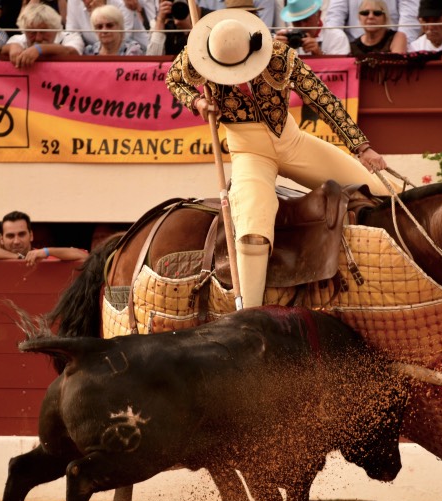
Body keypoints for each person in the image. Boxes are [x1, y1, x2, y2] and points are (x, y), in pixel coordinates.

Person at [166, 8, 395, 308]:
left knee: (381, 190)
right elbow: (173, 80)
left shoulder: (278, 54)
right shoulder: (200, 51)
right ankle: (250, 318)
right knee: (252, 231)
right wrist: (195, 101)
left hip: (293, 143)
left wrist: (361, 147)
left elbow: (322, 98)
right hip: (249, 154)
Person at [0, 211, 88, 264]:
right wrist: (18, 257)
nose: (16, 241)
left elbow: (83, 256)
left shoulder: (41, 255)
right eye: (10, 236)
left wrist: (47, 251)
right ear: (2, 239)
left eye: (21, 234)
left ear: (31, 235)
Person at [2, 1, 79, 67]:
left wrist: (39, 49)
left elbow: (72, 52)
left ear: (56, 29)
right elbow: (0, 50)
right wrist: (12, 47)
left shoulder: (70, 37)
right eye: (32, 33)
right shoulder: (18, 39)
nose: (38, 38)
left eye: (43, 32)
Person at [62, 0, 147, 54]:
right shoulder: (73, 2)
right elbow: (72, 32)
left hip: (133, 51)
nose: (86, 2)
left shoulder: (122, 2)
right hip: (96, 50)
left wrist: (100, 13)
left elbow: (123, 37)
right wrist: (73, 50)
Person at [275, 0, 351, 56]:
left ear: (319, 15)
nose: (302, 26)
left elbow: (341, 72)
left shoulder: (337, 37)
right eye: (296, 21)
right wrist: (275, 52)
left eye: (306, 20)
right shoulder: (282, 37)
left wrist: (319, 54)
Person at [325, 0, 421, 42]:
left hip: (391, 48)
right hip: (353, 48)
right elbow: (335, 16)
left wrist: (402, 47)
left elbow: (409, 17)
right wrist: (334, 47)